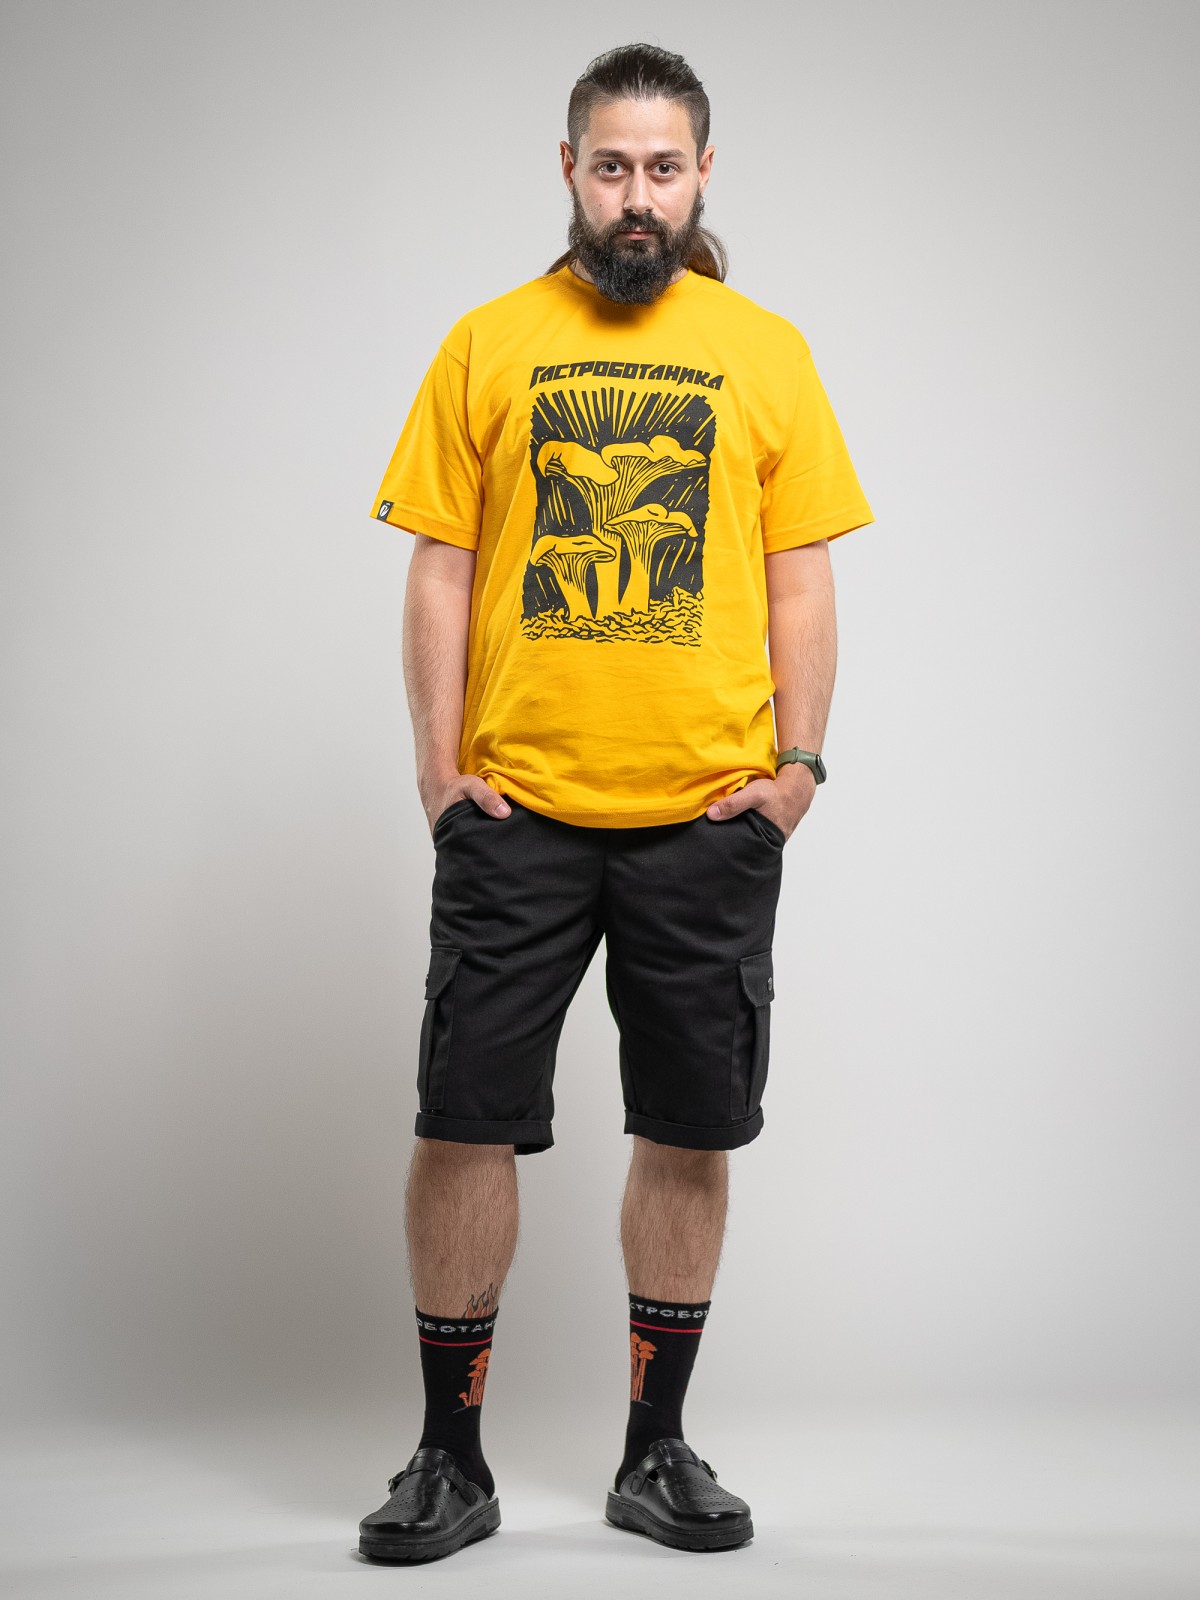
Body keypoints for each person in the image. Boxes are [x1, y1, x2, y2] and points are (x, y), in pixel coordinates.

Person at [357, 41, 874, 1563]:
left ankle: (659, 1451)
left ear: (702, 174)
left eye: (662, 167)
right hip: (517, 812)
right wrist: (438, 772)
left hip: (706, 816)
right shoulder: (488, 343)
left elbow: (800, 572)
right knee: (464, 1123)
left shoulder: (765, 350)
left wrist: (797, 771)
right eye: (610, 166)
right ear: (570, 172)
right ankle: (448, 1459)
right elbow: (442, 564)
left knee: (690, 1130)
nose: (635, 195)